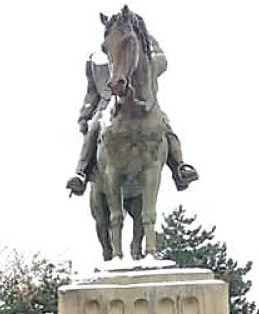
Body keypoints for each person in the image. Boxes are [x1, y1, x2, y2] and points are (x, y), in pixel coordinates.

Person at [65, 18, 198, 196]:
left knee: (164, 124)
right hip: (108, 106)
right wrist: (85, 114)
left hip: (142, 104)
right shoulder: (95, 61)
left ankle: (179, 167)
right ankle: (81, 172)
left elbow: (162, 61)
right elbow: (91, 93)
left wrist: (144, 41)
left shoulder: (140, 51)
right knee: (95, 126)